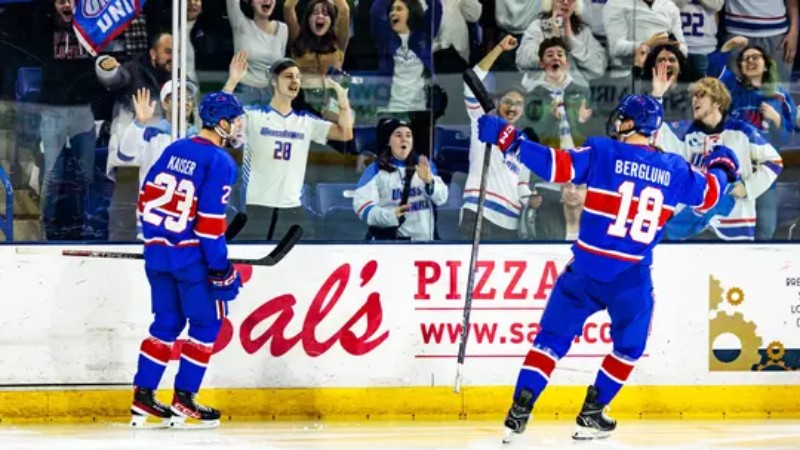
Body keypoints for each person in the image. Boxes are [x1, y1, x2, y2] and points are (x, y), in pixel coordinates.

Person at [476, 94, 739, 441]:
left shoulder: (602, 151)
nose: (616, 122)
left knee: (550, 341)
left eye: (622, 118)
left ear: (633, 123)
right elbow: (711, 193)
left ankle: (519, 411)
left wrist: (508, 139)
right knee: (629, 348)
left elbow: (555, 166)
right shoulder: (674, 169)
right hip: (631, 278)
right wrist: (722, 165)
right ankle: (592, 413)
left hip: (585, 270)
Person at [129, 92, 245, 429]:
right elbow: (209, 226)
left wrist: (157, 241)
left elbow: (144, 200)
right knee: (207, 325)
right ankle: (184, 399)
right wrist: (220, 268)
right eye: (235, 120)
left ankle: (143, 396)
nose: (239, 127)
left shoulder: (175, 148)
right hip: (192, 260)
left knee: (166, 323)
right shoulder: (220, 162)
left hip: (157, 255)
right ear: (221, 123)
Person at [223, 57, 353, 240]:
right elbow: (221, 120)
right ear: (274, 81)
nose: (295, 81)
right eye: (288, 76)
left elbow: (345, 134)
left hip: (292, 208)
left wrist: (342, 96)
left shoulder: (306, 121)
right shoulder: (253, 116)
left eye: (298, 77)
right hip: (257, 208)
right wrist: (232, 81)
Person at [651, 71, 783, 241]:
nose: (694, 100)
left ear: (717, 101)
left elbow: (774, 161)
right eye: (694, 96)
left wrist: (748, 187)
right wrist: (657, 96)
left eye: (701, 95)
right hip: (692, 228)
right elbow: (652, 133)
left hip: (735, 226)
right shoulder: (683, 133)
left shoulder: (742, 132)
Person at [460, 35, 535, 241]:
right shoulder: (484, 121)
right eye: (507, 101)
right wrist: (499, 48)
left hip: (510, 223)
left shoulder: (524, 143)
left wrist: (531, 200)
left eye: (518, 104)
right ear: (498, 102)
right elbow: (471, 79)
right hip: (479, 212)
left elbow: (521, 185)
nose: (512, 107)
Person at [109, 81, 199, 241]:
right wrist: (139, 123)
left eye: (189, 98)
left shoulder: (198, 138)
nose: (185, 102)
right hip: (154, 224)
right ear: (165, 104)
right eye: (178, 98)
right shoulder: (150, 134)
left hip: (189, 226)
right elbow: (125, 156)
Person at [353, 118, 448, 241]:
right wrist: (390, 216)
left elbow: (441, 198)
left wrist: (430, 182)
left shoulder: (425, 165)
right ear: (388, 141)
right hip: (389, 243)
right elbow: (362, 206)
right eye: (398, 135)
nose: (404, 139)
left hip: (423, 242)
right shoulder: (375, 169)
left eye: (408, 135)